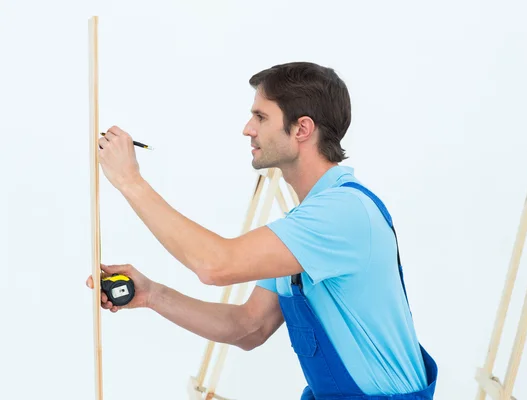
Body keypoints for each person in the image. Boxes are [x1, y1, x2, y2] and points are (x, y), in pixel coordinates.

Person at [86, 61, 437, 399]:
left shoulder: (342, 214)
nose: (247, 128)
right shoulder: (304, 227)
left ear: (302, 129)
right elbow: (249, 327)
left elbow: (215, 265)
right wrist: (153, 295)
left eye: (261, 116)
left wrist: (130, 181)